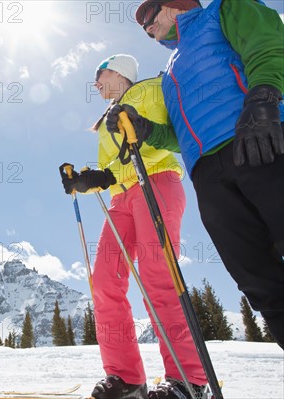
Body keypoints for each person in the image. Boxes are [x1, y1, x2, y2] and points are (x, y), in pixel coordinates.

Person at [107, 0, 284, 354]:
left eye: (148, 16)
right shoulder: (170, 73)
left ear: (173, 5)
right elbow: (180, 133)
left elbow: (267, 43)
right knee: (258, 280)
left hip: (258, 141)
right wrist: (145, 130)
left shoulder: (224, 11)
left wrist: (264, 96)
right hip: (208, 175)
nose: (146, 28)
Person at [61, 55, 207, 399]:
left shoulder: (151, 91)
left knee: (158, 276)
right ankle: (126, 378)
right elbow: (113, 168)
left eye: (101, 73)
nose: (96, 81)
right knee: (105, 281)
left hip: (156, 182)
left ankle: (189, 381)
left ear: (120, 71)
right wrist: (88, 179)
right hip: (121, 198)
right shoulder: (104, 120)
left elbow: (175, 136)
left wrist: (142, 128)